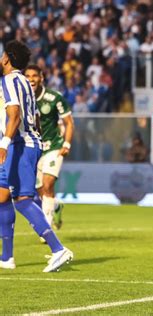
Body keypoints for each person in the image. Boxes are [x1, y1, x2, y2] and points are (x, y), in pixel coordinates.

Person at [0, 40, 73, 272]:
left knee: (22, 200)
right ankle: (7, 256)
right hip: (26, 143)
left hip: (18, 145)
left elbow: (15, 115)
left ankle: (58, 249)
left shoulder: (9, 81)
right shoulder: (24, 81)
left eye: (2, 54)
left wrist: (4, 144)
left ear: (7, 58)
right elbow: (34, 116)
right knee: (2, 197)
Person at [24, 64, 75, 230]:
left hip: (54, 146)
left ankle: (46, 228)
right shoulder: (22, 99)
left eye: (34, 76)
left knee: (47, 185)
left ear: (41, 78)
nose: (31, 79)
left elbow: (69, 122)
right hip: (34, 149)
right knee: (40, 191)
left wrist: (66, 144)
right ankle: (56, 206)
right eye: (28, 76)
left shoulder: (54, 98)